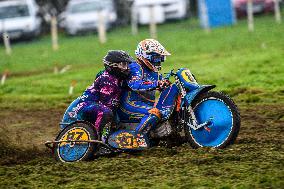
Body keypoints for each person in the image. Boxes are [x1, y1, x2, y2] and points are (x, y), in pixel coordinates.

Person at [61, 50, 134, 141]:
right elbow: (107, 106)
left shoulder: (118, 78)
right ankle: (98, 140)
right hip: (81, 109)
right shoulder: (107, 80)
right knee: (107, 112)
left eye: (127, 64)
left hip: (93, 107)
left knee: (114, 116)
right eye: (123, 65)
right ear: (113, 66)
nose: (127, 68)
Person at [117, 39, 179, 135]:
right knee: (154, 113)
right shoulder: (135, 67)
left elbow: (161, 85)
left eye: (161, 57)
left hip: (145, 105)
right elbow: (135, 85)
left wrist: (168, 85)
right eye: (156, 57)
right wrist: (157, 84)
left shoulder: (154, 72)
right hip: (130, 104)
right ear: (145, 55)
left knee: (166, 112)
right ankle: (137, 137)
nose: (159, 60)